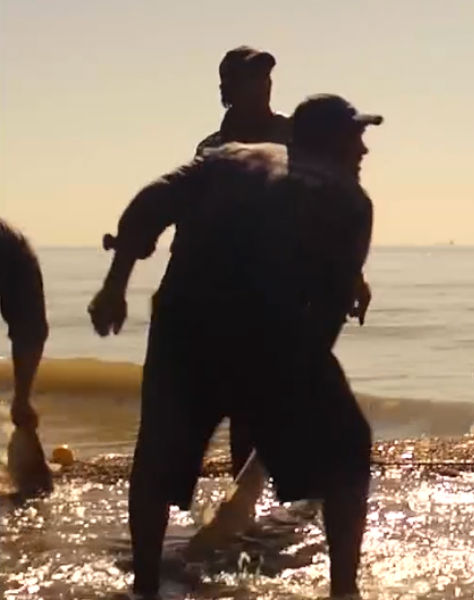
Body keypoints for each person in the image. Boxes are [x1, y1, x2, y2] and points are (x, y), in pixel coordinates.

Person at [87, 93, 381, 599]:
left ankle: (145, 586)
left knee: (157, 460)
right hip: (268, 335)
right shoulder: (349, 202)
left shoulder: (227, 159)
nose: (363, 151)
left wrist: (115, 286)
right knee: (349, 451)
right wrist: (290, 395)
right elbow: (326, 319)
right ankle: (344, 592)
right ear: (326, 144)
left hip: (184, 328)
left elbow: (150, 202)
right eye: (354, 138)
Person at [194, 46, 372, 480]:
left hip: (300, 276)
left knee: (303, 378)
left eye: (267, 79)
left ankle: (299, 485)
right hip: (236, 285)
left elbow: (337, 194)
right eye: (252, 80)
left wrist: (353, 273)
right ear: (228, 89)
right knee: (246, 397)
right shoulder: (213, 149)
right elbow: (200, 219)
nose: (263, 88)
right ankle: (249, 490)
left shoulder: (293, 134)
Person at [1, 218, 51, 495]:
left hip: (13, 256)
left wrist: (22, 398)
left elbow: (32, 330)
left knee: (32, 330)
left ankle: (22, 405)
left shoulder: (11, 250)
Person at [195, 46, 291, 157]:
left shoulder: (295, 135)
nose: (262, 84)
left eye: (265, 76)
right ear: (229, 89)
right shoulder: (211, 150)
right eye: (252, 77)